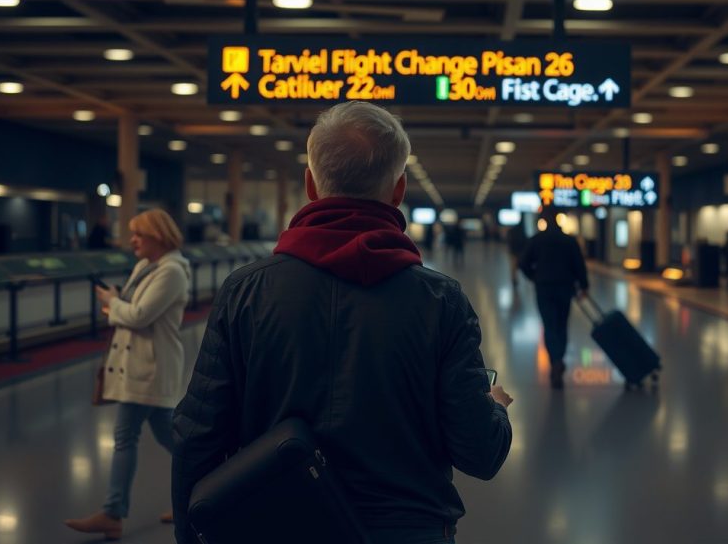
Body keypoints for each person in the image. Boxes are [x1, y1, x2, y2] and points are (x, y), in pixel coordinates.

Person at [171, 101, 513, 544]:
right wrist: (495, 409)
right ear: (399, 189)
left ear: (310, 185)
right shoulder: (440, 301)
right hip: (408, 529)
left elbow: (196, 437)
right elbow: (480, 453)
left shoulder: (246, 293)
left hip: (277, 524)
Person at [65, 209, 190, 540]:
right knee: (174, 440)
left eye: (139, 235)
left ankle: (112, 512)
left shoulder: (172, 271)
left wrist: (111, 301)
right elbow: (132, 308)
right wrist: (117, 301)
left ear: (158, 236)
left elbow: (139, 315)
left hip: (149, 368)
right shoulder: (145, 267)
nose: (132, 240)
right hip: (139, 367)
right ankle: (198, 494)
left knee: (124, 437)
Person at [519, 208, 589, 389]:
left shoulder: (536, 240)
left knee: (549, 324)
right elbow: (579, 264)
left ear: (543, 220)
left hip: (544, 288)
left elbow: (523, 263)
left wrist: (534, 277)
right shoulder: (569, 240)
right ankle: (559, 358)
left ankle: (555, 361)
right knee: (562, 324)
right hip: (565, 287)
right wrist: (584, 286)